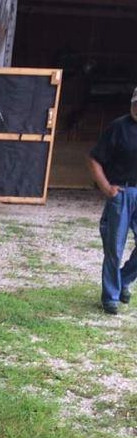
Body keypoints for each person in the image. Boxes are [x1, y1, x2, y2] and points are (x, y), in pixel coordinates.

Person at [87, 88, 137, 314]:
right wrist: (106, 187)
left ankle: (123, 280)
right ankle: (111, 297)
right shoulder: (118, 127)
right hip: (121, 192)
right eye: (136, 103)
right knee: (114, 248)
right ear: (132, 103)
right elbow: (94, 159)